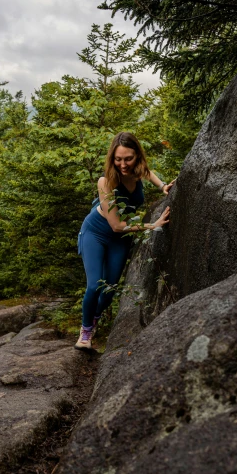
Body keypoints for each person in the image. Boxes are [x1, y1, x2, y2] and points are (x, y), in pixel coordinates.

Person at [76, 131, 175, 350]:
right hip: (97, 231)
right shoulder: (106, 181)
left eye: (128, 158)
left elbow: (148, 173)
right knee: (95, 285)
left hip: (119, 239)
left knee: (110, 289)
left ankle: (94, 320)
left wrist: (163, 186)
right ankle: (85, 333)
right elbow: (116, 225)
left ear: (137, 156)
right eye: (118, 159)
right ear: (112, 158)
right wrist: (153, 225)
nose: (123, 164)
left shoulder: (138, 171)